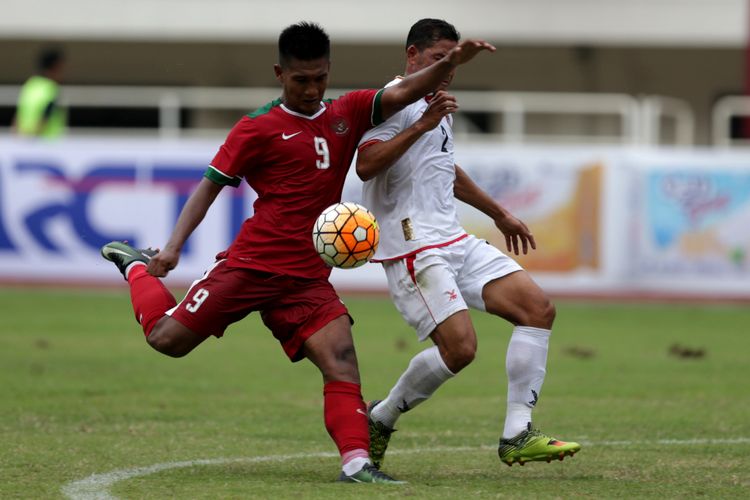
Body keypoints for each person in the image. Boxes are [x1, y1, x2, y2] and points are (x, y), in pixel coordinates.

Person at [100, 22, 494, 484]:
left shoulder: (345, 114)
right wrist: (170, 250)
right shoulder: (257, 128)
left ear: (329, 72)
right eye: (301, 80)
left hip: (306, 278)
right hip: (251, 265)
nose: (312, 89)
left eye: (320, 78)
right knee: (167, 341)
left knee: (342, 359)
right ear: (279, 74)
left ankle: (356, 464)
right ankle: (135, 269)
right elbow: (210, 187)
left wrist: (450, 63)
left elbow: (406, 90)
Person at [355, 18, 581, 469]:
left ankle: (517, 433)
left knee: (537, 309)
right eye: (440, 59)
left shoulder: (434, 103)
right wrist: (421, 125)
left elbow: (445, 169)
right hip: (412, 243)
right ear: (412, 55)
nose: (448, 70)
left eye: (452, 62)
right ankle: (380, 418)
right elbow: (366, 165)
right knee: (460, 350)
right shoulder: (392, 102)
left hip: (453, 237)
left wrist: (499, 214)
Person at [13, 47, 67, 138]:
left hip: (23, 141)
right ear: (56, 66)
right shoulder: (51, 89)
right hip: (45, 144)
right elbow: (45, 116)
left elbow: (17, 117)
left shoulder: (30, 85)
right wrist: (33, 136)